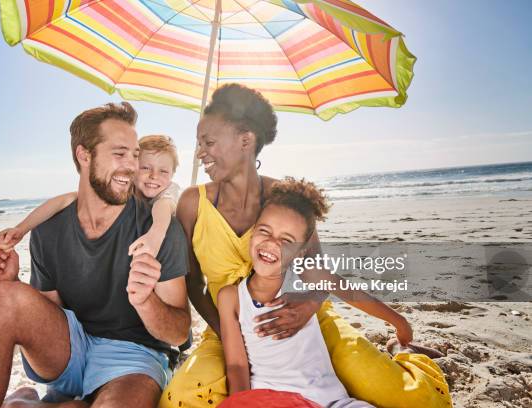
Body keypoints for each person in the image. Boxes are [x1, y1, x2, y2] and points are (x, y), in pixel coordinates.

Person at [160, 84, 452, 408]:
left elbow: (318, 276)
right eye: (199, 143)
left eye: (209, 142)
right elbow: (192, 281)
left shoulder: (286, 202)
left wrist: (307, 308)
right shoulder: (191, 203)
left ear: (245, 141)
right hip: (225, 325)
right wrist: (230, 328)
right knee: (181, 398)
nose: (200, 152)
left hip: (304, 323)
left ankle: (406, 356)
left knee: (412, 399)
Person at [0, 103, 190, 408]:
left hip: (134, 358)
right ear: (84, 155)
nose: (132, 166)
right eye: (119, 154)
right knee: (1, 296)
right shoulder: (49, 229)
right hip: (71, 348)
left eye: (135, 155)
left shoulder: (158, 229)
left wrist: (146, 301)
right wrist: (15, 285)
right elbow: (51, 311)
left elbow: (178, 333)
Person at [218, 177, 373, 407]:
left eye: (286, 240)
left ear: (300, 252)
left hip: (330, 401)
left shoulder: (300, 280)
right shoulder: (231, 297)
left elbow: (350, 292)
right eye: (265, 231)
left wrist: (400, 323)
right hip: (271, 399)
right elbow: (237, 366)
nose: (272, 243)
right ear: (252, 232)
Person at [0, 134, 181, 258]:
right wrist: (21, 228)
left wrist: (156, 235)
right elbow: (67, 199)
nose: (154, 176)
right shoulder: (124, 187)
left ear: (172, 174)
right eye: (145, 168)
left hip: (160, 250)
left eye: (164, 171)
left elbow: (163, 207)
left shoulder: (168, 191)